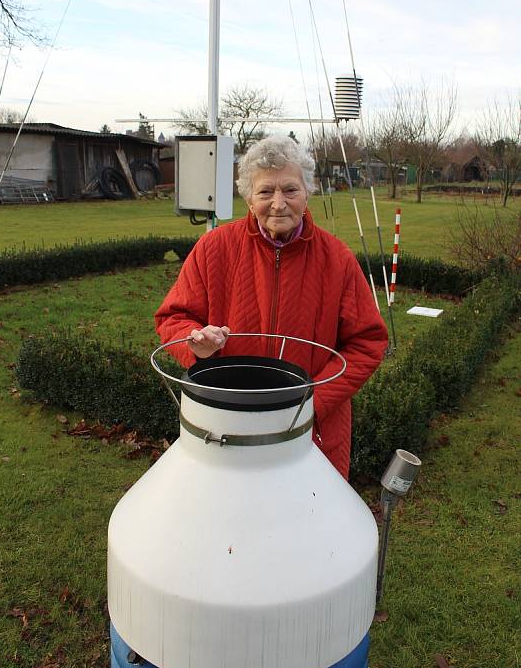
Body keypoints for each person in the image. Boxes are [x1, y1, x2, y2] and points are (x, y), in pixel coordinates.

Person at [155, 136, 388, 479]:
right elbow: (173, 316)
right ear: (248, 198)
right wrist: (197, 345)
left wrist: (313, 402)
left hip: (312, 429)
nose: (278, 204)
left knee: (305, 520)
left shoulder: (337, 259)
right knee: (231, 512)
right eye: (265, 192)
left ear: (307, 192)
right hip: (229, 422)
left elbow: (368, 342)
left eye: (290, 190)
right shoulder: (214, 249)